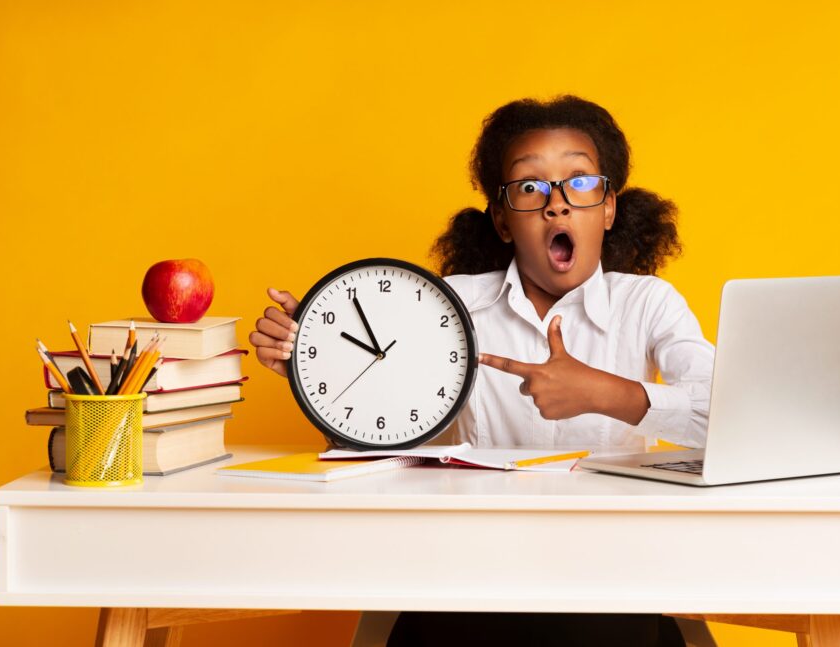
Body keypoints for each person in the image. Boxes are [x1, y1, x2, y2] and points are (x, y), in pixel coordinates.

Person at [250, 95, 715, 646]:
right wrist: (311, 365)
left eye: (579, 182)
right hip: (470, 568)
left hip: (610, 564)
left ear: (609, 208)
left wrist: (607, 393)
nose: (557, 204)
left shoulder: (649, 304)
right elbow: (378, 439)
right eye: (530, 187)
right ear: (500, 218)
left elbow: (727, 419)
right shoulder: (447, 305)